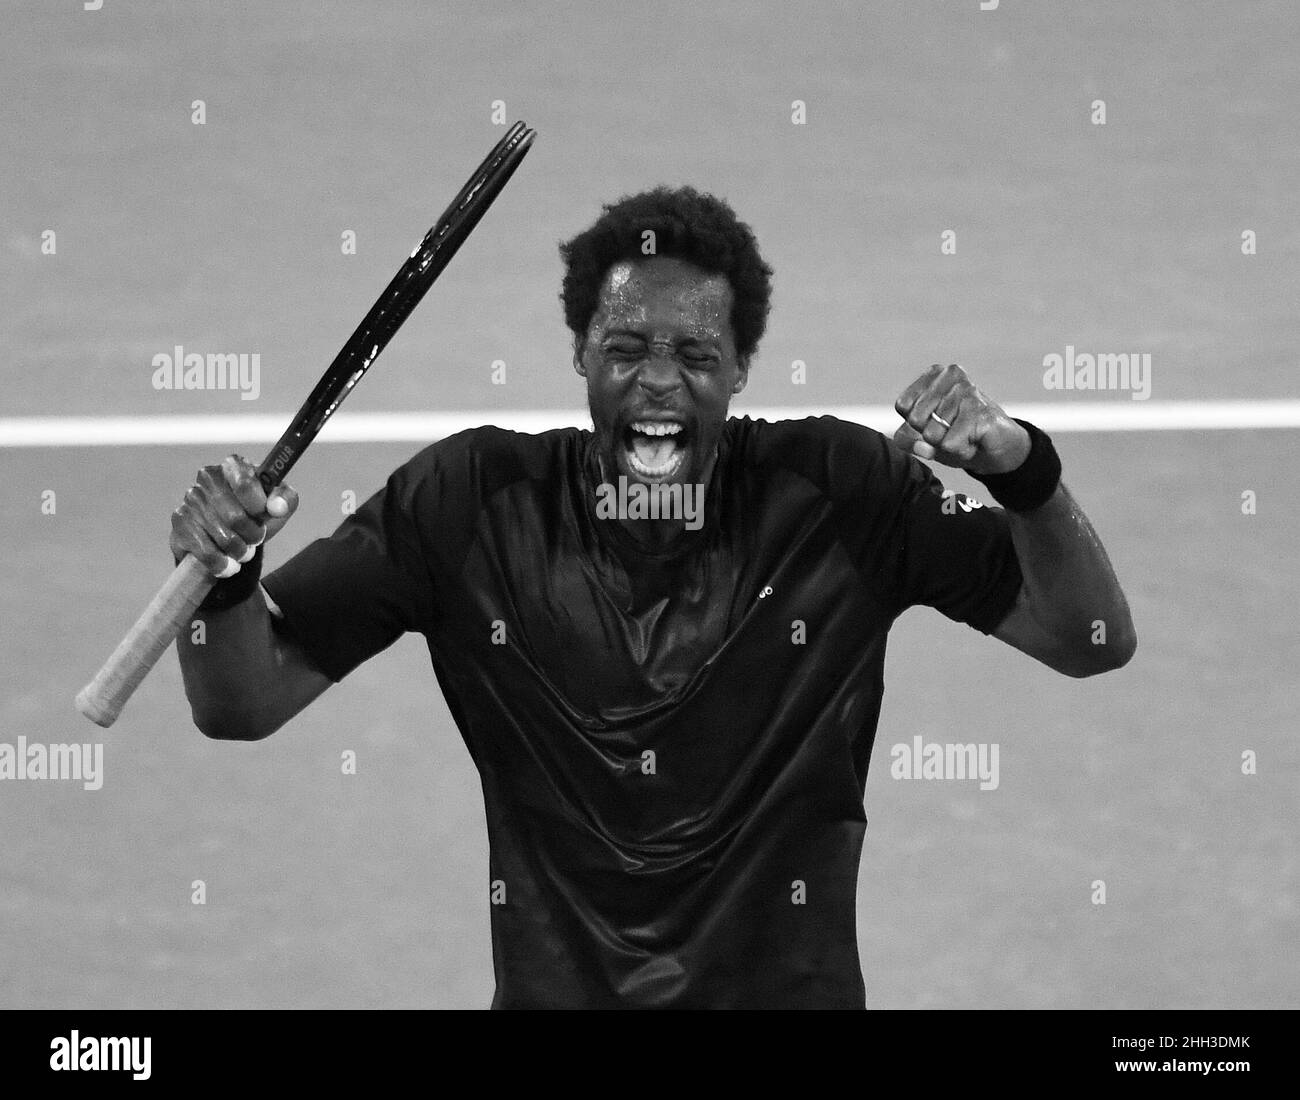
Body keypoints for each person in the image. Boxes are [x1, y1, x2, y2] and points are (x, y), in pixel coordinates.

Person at [171, 185, 1135, 1008]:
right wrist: (226, 579)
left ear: (743, 367)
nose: (659, 384)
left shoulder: (842, 494)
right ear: (579, 352)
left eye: (696, 355)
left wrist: (1024, 471)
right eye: (626, 348)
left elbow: (1089, 637)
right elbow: (243, 703)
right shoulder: (468, 505)